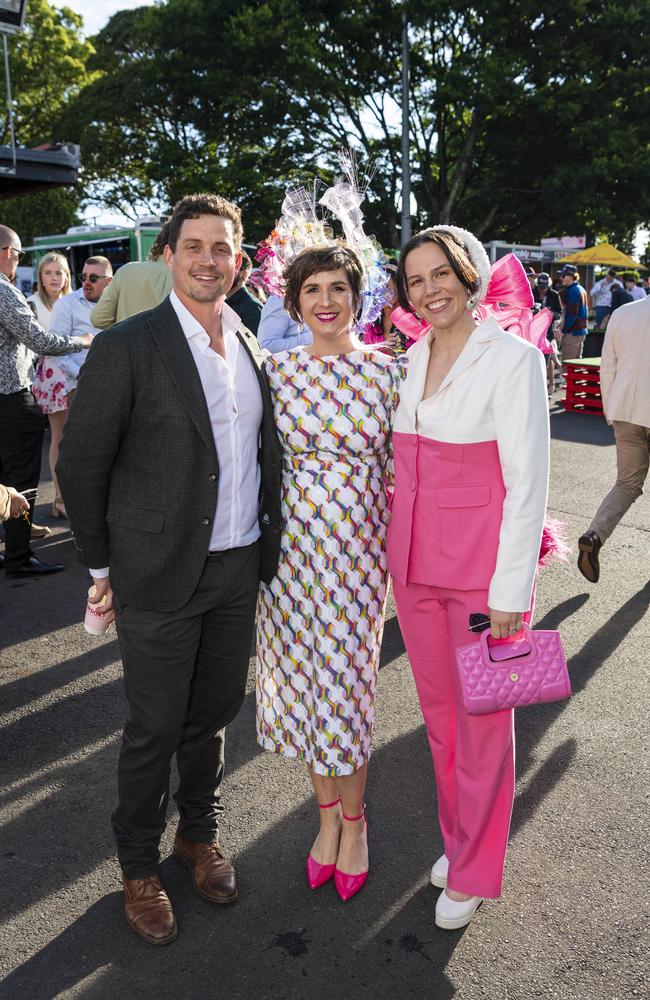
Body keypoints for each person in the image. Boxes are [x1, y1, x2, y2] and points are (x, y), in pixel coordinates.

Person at [57, 193, 282, 947]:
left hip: (235, 567)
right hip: (154, 571)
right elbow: (81, 462)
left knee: (213, 716)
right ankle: (137, 866)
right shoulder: (132, 344)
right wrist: (100, 563)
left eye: (222, 248)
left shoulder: (251, 344)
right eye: (193, 246)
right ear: (168, 255)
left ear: (239, 261)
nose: (208, 259)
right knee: (153, 727)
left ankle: (197, 837)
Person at [387, 226, 549, 930]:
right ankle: (460, 842)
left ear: (470, 274)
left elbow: (528, 482)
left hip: (484, 579)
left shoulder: (513, 359)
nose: (430, 289)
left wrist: (512, 593)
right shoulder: (410, 356)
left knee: (485, 722)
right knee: (442, 721)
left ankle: (479, 868)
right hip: (414, 570)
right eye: (416, 279)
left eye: (441, 273)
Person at [256, 244, 406, 902]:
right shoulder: (276, 372)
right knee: (308, 694)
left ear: (358, 296)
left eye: (337, 288)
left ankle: (355, 822)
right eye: (311, 289)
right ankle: (325, 823)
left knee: (346, 696)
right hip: (288, 567)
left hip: (358, 565)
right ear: (294, 301)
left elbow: (411, 472)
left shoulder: (389, 373)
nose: (325, 300)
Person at [0, 225, 92, 578]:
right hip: (11, 399)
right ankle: (19, 557)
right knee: (21, 480)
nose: (17, 261)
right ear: (8, 252)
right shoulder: (5, 293)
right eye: (20, 255)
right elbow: (40, 340)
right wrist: (83, 341)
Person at [577, 294, 650, 583]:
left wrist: (611, 409)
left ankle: (594, 535)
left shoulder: (623, 313)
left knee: (626, 484)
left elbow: (607, 366)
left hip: (625, 410)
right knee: (628, 484)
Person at [43, 256, 110, 516]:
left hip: (111, 385)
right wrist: (82, 375)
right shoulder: (66, 305)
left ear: (108, 281)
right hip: (78, 387)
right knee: (78, 450)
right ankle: (74, 505)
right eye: (83, 277)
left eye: (93, 278)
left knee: (106, 450)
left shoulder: (113, 301)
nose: (87, 282)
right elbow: (55, 351)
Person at [29, 252, 73, 520]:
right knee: (61, 437)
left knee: (80, 439)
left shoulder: (74, 300)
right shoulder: (32, 304)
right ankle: (59, 497)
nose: (55, 278)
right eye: (49, 273)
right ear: (41, 278)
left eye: (59, 272)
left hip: (79, 373)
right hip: (54, 377)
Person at [90, 224, 174, 328]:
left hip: (124, 342)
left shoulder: (127, 270)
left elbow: (98, 319)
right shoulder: (187, 279)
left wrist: (123, 328)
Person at [226, 250, 262, 335]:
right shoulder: (223, 303)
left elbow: (257, 345)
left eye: (232, 268)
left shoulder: (252, 306)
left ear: (244, 274)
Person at [559, 264, 588, 367]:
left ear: (571, 276)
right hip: (580, 331)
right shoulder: (580, 288)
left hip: (573, 332)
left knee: (568, 365)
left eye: (563, 275)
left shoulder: (573, 291)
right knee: (577, 365)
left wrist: (563, 331)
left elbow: (572, 314)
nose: (561, 278)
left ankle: (566, 384)